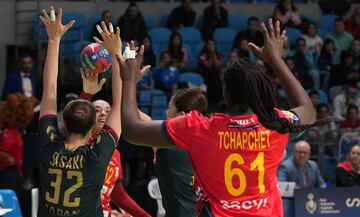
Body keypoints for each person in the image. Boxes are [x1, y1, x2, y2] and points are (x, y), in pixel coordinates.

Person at [118, 19, 317, 217]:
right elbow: (308, 111)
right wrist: (275, 59)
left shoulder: (199, 127)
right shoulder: (275, 123)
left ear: (225, 93)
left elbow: (131, 130)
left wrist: (128, 81)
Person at [37, 8, 120, 217]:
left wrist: (54, 40)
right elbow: (119, 104)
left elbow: (49, 91)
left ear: (62, 123)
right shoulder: (96, 156)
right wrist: (116, 53)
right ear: (93, 127)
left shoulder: (49, 146)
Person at [79, 70, 151, 217]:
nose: (104, 114)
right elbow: (78, 118)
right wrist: (86, 94)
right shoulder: (80, 142)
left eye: (107, 111)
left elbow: (118, 195)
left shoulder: (115, 153)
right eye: (97, 111)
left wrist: (144, 216)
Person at [156, 88, 207, 217]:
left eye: (169, 109)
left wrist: (128, 82)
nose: (166, 113)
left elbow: (134, 124)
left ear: (182, 116)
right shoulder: (212, 141)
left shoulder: (167, 144)